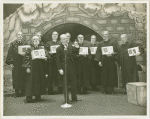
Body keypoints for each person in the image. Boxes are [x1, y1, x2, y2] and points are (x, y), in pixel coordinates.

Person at [22, 36, 47, 103]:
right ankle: (29, 97)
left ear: (39, 41)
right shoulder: (29, 49)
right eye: (34, 40)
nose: (35, 41)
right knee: (30, 82)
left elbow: (47, 56)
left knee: (38, 81)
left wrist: (45, 57)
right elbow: (26, 59)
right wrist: (27, 67)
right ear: (32, 41)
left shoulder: (42, 48)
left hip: (39, 68)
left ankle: (38, 96)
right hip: (32, 68)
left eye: (36, 40)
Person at [56, 34, 79, 103]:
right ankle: (66, 99)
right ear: (61, 40)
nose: (66, 40)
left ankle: (74, 98)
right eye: (64, 39)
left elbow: (76, 54)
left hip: (71, 67)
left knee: (73, 83)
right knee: (65, 84)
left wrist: (77, 48)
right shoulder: (59, 48)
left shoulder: (71, 46)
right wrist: (60, 69)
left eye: (66, 38)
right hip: (64, 68)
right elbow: (57, 60)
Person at [5, 31, 26, 98]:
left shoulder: (24, 43)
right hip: (16, 64)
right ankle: (17, 93)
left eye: (21, 35)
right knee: (16, 77)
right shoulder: (13, 44)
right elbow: (10, 54)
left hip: (23, 63)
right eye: (19, 35)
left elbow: (27, 52)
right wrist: (11, 63)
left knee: (23, 76)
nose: (20, 36)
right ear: (16, 36)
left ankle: (23, 92)